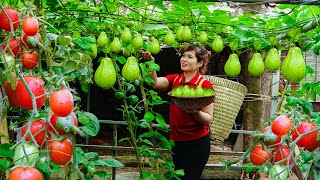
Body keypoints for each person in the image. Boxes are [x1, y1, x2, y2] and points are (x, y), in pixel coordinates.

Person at [142, 44, 214, 180]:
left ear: (200, 63)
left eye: (189, 57)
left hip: (196, 143)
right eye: (183, 56)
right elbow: (154, 83)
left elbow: (209, 118)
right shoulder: (176, 79)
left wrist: (195, 112)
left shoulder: (204, 85)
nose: (184, 59)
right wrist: (150, 62)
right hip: (176, 142)